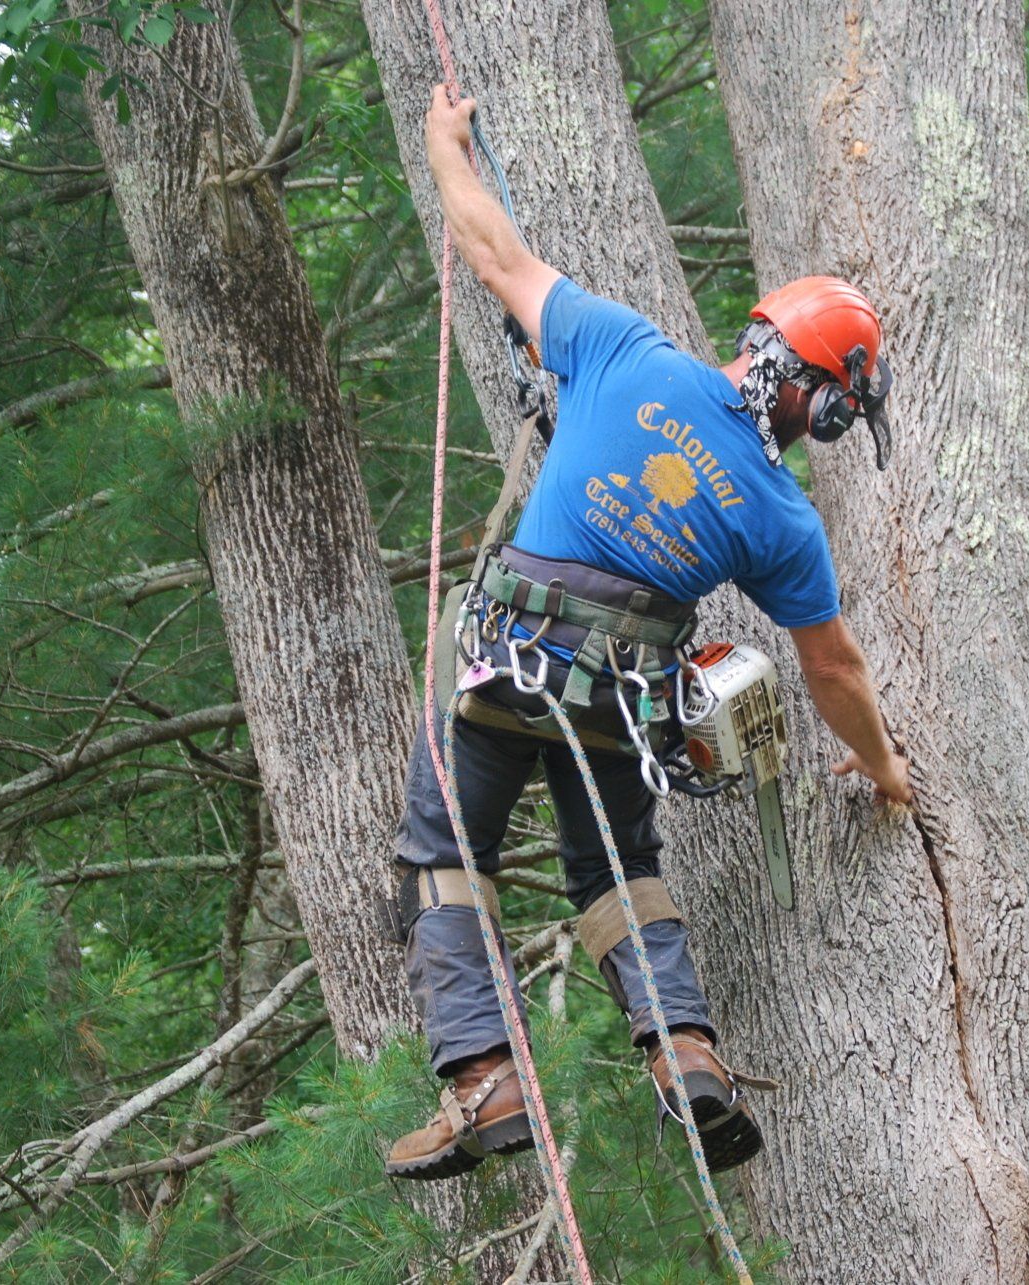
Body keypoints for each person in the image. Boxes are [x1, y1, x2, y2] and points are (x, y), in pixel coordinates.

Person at [385, 86, 913, 1182]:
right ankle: (685, 1055)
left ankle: (483, 1084)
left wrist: (446, 146)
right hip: (618, 703)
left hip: (502, 664)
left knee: (446, 857)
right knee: (619, 868)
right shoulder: (781, 520)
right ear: (812, 398)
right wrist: (883, 764)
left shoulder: (624, 350)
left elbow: (495, 254)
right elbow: (832, 668)